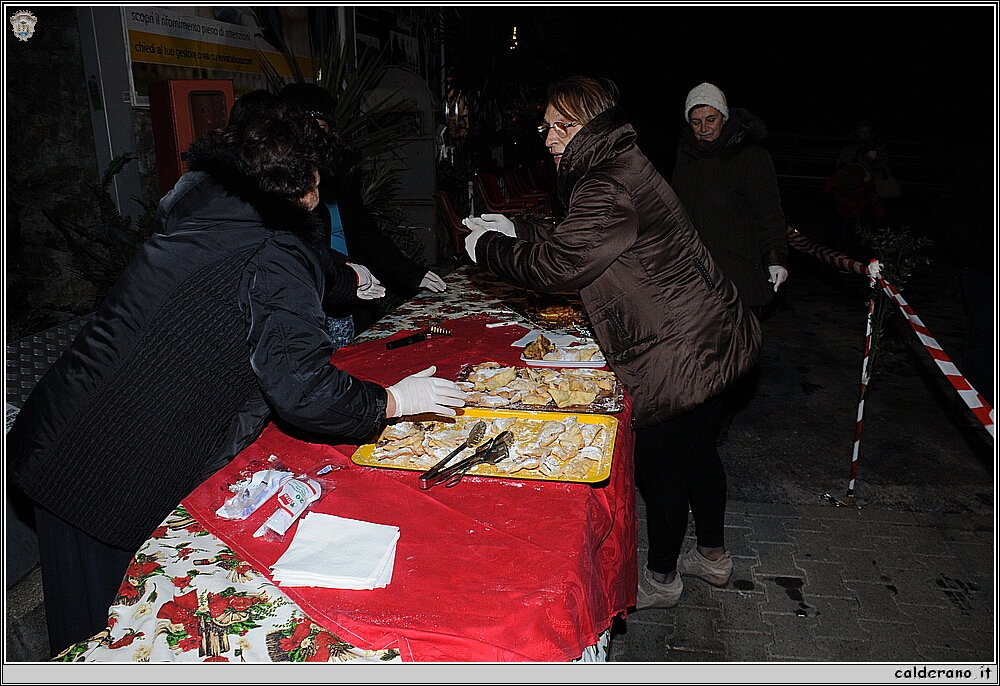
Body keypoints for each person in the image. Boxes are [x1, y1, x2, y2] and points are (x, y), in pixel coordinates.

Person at [6, 91, 466, 655]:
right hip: (101, 463)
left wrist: (346, 279)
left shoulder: (217, 200)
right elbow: (302, 385)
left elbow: (272, 266)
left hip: (70, 425)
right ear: (304, 180)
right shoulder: (275, 244)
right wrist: (392, 401)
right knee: (106, 635)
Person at [462, 77, 761, 610]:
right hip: (710, 333)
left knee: (662, 471)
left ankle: (663, 579)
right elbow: (582, 237)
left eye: (564, 126)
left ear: (593, 125)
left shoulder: (606, 181)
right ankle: (713, 558)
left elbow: (560, 265)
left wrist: (487, 248)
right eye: (546, 126)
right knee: (699, 455)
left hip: (679, 351)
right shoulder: (617, 162)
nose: (550, 138)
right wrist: (517, 227)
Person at [279, 83, 447, 347]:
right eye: (304, 129)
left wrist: (412, 274)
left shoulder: (338, 170)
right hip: (311, 295)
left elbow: (365, 231)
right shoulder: (276, 181)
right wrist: (345, 274)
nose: (312, 139)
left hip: (349, 291)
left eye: (319, 129)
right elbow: (294, 250)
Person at [671, 82, 788, 445]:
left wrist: (775, 257)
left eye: (711, 119)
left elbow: (769, 212)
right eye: (696, 122)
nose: (704, 128)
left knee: (735, 356)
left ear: (725, 117)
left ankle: (721, 417)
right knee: (698, 353)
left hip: (737, 272)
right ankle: (703, 418)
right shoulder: (687, 157)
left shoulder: (751, 157)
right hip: (694, 274)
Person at [934, 148, 994, 407]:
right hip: (984, 269)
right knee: (985, 335)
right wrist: (971, 246)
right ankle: (978, 405)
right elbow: (948, 207)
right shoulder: (982, 161)